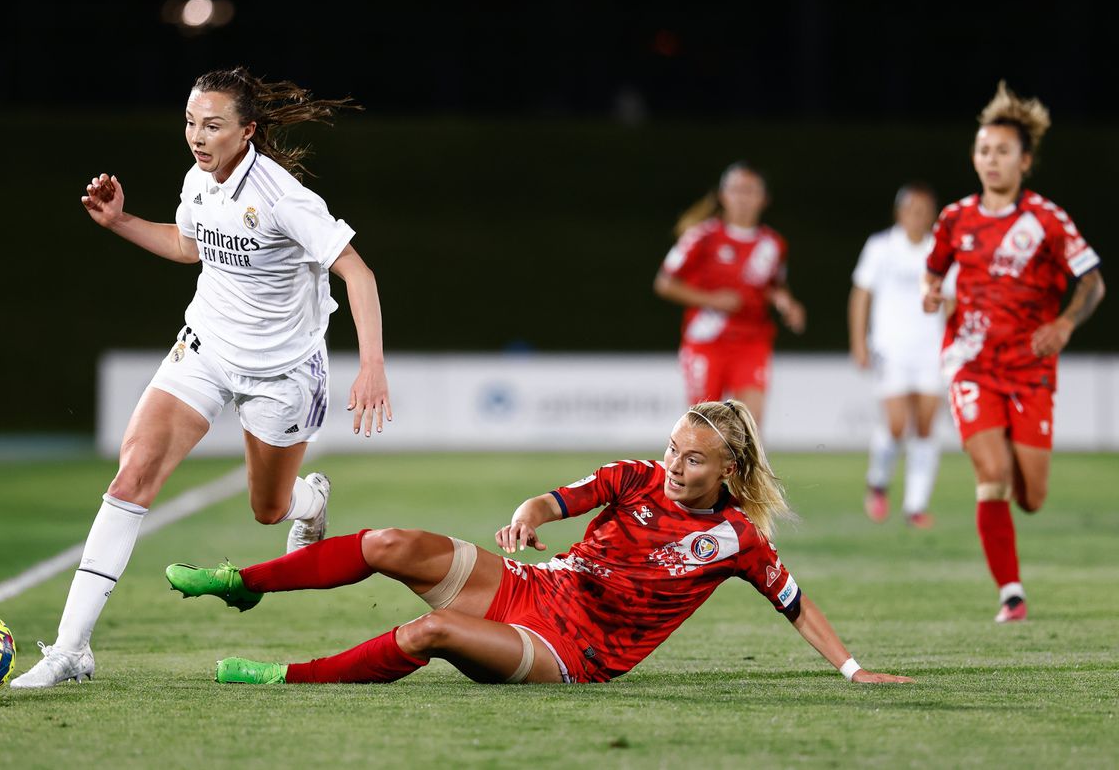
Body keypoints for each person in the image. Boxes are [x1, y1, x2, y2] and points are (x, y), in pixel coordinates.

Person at [12, 67, 391, 688]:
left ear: (248, 130)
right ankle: (70, 649)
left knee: (269, 510)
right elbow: (192, 247)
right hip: (204, 349)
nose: (197, 136)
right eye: (190, 122)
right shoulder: (200, 180)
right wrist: (121, 221)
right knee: (133, 473)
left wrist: (371, 365)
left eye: (212, 125)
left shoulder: (281, 196)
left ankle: (310, 498)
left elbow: (359, 274)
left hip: (283, 373)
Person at [166, 401, 912, 686]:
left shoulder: (736, 539)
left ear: (730, 469)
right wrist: (528, 518)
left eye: (692, 459)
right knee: (391, 541)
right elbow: (555, 499)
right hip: (537, 588)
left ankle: (285, 678)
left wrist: (852, 670)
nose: (674, 465)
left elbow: (795, 604)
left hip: (575, 652)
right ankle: (245, 582)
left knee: (430, 631)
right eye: (672, 449)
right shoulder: (635, 477)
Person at [923, 81, 1104, 623]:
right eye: (983, 150)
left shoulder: (1047, 220)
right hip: (971, 362)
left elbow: (1092, 281)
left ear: (1025, 160)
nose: (991, 159)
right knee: (993, 473)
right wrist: (933, 292)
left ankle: (1013, 553)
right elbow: (933, 273)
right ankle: (1011, 593)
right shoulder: (954, 219)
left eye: (1002, 151)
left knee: (1032, 496)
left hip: (1030, 368)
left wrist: (1067, 323)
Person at [654, 162, 805, 422]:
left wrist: (787, 304)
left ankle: (743, 465)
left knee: (749, 426)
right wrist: (712, 300)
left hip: (751, 340)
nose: (743, 198)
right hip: (706, 340)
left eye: (750, 191)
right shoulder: (702, 236)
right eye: (736, 190)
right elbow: (665, 283)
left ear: (764, 199)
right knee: (705, 426)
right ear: (723, 196)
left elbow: (773, 285)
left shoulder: (772, 244)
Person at [849, 183, 946, 527]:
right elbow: (861, 295)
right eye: (911, 209)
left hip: (930, 349)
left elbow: (954, 299)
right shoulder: (881, 247)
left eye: (923, 210)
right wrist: (859, 341)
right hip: (890, 348)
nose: (917, 216)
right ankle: (878, 481)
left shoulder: (941, 250)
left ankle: (915, 506)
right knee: (895, 425)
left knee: (924, 426)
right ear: (899, 213)